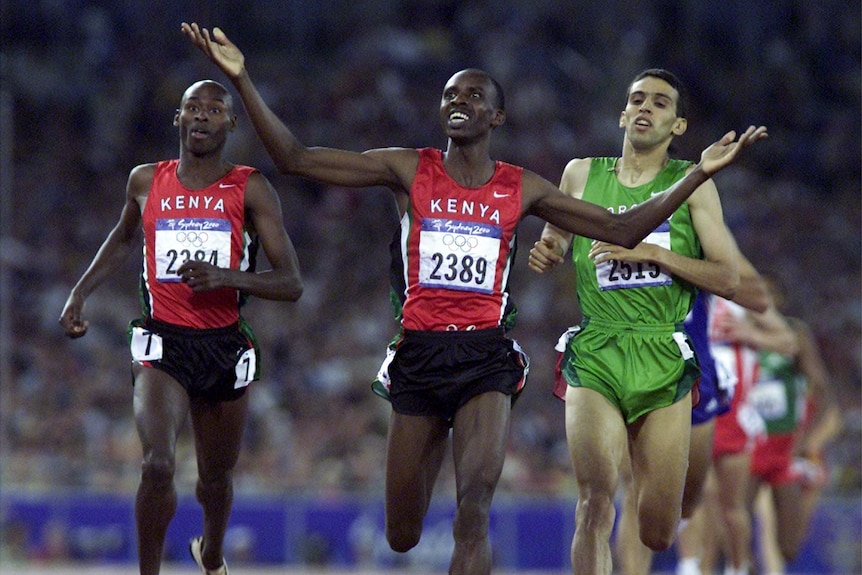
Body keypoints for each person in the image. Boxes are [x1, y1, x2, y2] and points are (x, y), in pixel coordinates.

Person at [182, 23, 766, 575]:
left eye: (474, 95)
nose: (459, 100)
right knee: (402, 534)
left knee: (475, 507)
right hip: (418, 354)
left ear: (497, 115)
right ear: (441, 110)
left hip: (486, 357)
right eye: (450, 94)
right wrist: (241, 79)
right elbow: (296, 159)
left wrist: (695, 177)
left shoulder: (522, 186)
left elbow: (621, 229)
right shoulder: (409, 168)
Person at [526, 68, 767, 575]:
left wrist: (660, 257)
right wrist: (548, 250)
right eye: (637, 99)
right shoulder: (579, 173)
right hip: (597, 349)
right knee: (594, 501)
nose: (645, 108)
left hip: (663, 353)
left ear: (678, 126)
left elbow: (728, 280)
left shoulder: (693, 186)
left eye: (660, 103)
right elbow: (557, 238)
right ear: (621, 114)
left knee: (657, 528)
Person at [59, 79, 304, 575]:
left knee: (215, 479)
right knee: (157, 466)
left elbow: (292, 282)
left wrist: (227, 277)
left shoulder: (251, 187)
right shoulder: (146, 180)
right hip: (162, 341)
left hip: (224, 343)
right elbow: (123, 238)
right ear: (178, 118)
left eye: (215, 109)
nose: (202, 116)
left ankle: (210, 554)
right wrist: (79, 291)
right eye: (193, 107)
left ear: (231, 123)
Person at [737, 275, 842, 574]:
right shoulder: (736, 334)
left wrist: (806, 441)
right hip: (750, 449)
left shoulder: (794, 335)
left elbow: (822, 392)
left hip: (785, 450)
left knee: (789, 545)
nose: (759, 304)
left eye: (767, 296)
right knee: (744, 529)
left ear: (778, 302)